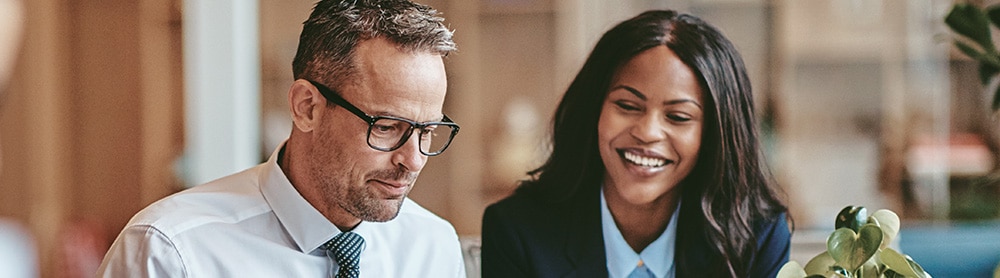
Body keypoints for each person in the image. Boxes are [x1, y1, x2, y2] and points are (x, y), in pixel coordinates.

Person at [97, 0, 466, 276]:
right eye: (385, 127)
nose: (413, 160)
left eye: (427, 131)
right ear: (307, 107)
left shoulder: (432, 246)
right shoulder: (170, 251)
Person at [481, 10, 791, 278]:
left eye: (678, 116)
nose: (647, 132)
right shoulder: (516, 231)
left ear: (714, 134)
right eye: (628, 106)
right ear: (594, 110)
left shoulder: (757, 236)